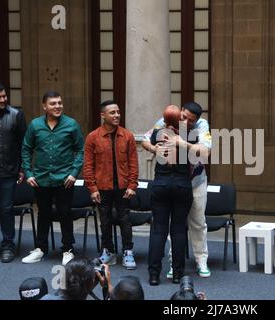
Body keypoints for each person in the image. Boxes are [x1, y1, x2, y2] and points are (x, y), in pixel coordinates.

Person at [142, 102, 212, 279]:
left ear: (196, 120)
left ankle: (200, 259)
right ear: (179, 113)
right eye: (183, 117)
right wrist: (154, 148)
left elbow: (205, 152)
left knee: (196, 222)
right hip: (178, 184)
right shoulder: (165, 122)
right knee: (177, 228)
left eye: (190, 120)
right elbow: (145, 139)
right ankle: (175, 266)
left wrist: (182, 142)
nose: (186, 121)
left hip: (195, 181)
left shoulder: (200, 127)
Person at [21, 91, 84, 266]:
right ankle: (41, 248)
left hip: (65, 178)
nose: (57, 106)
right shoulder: (35, 125)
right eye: (53, 104)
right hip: (41, 178)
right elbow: (26, 149)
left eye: (59, 103)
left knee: (65, 213)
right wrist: (28, 172)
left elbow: (80, 150)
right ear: (44, 106)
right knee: (43, 214)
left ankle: (67, 250)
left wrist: (73, 173)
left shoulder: (71, 124)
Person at [83, 100, 138, 270]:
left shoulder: (127, 136)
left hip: (123, 187)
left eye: (118, 112)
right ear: (103, 115)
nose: (116, 115)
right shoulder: (93, 137)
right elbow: (88, 165)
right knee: (105, 220)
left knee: (125, 219)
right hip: (102, 187)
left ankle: (128, 251)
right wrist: (92, 188)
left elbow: (133, 163)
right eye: (112, 113)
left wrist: (132, 185)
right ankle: (108, 251)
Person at [144, 105, 194, 286]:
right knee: (179, 231)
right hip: (182, 185)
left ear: (164, 120)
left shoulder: (158, 133)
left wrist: (153, 149)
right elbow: (202, 153)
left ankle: (154, 275)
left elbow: (144, 140)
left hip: (161, 185)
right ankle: (178, 275)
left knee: (158, 231)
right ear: (180, 119)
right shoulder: (189, 134)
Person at [0, 82, 27, 263]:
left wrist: (23, 168)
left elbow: (24, 145)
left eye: (4, 96)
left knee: (6, 210)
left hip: (7, 171)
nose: (3, 100)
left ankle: (8, 246)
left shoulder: (16, 115)